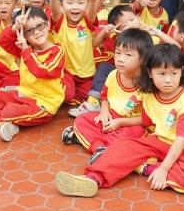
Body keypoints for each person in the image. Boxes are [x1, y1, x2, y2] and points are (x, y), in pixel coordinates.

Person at [54, 43, 184, 197]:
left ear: (182, 71)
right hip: (159, 142)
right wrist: (120, 123)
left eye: (174, 73)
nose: (168, 80)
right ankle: (92, 179)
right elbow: (146, 121)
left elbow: (181, 140)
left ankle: (145, 168)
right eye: (162, 73)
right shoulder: (151, 95)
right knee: (122, 146)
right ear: (150, 73)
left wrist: (163, 169)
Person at [62, 27, 150, 163]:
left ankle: (88, 141)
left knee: (136, 133)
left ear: (143, 59)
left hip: (131, 124)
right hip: (111, 117)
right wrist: (103, 112)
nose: (120, 59)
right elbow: (105, 97)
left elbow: (146, 119)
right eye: (118, 53)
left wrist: (120, 122)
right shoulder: (113, 75)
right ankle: (100, 148)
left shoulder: (148, 84)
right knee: (82, 120)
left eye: (128, 55)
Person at [0, 8, 66, 142]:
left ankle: (1, 118)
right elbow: (3, 41)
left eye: (40, 26)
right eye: (29, 30)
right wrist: (15, 27)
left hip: (44, 104)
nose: (37, 32)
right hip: (22, 95)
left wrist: (25, 50)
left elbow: (41, 71)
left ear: (48, 24)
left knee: (9, 111)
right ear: (24, 35)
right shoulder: (27, 48)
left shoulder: (56, 51)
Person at [47, 0, 105, 105]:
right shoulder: (60, 20)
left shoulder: (87, 20)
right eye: (70, 2)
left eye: (80, 2)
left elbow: (91, 12)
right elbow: (55, 12)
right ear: (62, 5)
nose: (75, 7)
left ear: (86, 3)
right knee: (67, 95)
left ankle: (74, 95)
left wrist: (93, 0)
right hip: (66, 72)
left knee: (92, 97)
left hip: (86, 74)